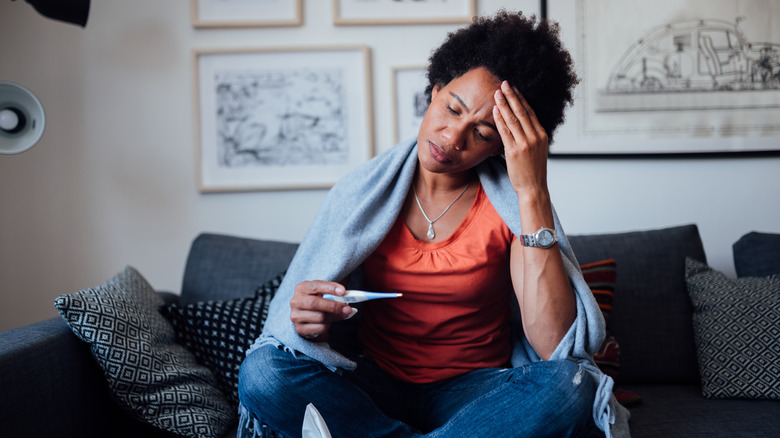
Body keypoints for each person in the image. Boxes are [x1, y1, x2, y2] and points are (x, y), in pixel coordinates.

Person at [237, 10, 629, 438]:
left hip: (474, 394)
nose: (452, 137)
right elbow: (305, 323)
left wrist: (533, 191)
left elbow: (555, 345)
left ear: (504, 147)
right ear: (435, 89)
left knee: (571, 388)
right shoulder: (362, 195)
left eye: (482, 132)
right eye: (452, 108)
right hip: (374, 386)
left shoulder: (511, 207)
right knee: (262, 373)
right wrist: (309, 315)